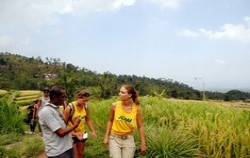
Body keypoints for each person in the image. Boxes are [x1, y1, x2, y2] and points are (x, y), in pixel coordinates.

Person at [103, 84, 147, 158]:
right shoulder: (115, 105)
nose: (119, 94)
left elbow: (140, 126)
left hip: (128, 140)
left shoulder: (136, 109)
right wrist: (106, 137)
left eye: (122, 92)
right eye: (120, 92)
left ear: (129, 95)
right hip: (114, 139)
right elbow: (110, 121)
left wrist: (143, 143)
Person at [38, 86, 81, 158]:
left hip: (66, 147)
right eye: (63, 97)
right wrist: (75, 125)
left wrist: (74, 133)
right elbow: (61, 132)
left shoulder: (57, 108)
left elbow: (63, 127)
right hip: (57, 152)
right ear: (54, 97)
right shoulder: (47, 111)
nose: (64, 99)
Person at [64, 90, 97, 158]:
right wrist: (74, 133)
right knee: (74, 156)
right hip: (71, 134)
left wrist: (93, 131)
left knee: (81, 154)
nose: (85, 102)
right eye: (83, 100)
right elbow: (63, 124)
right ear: (78, 98)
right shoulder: (70, 108)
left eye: (87, 101)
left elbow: (88, 119)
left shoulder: (86, 106)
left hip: (83, 133)